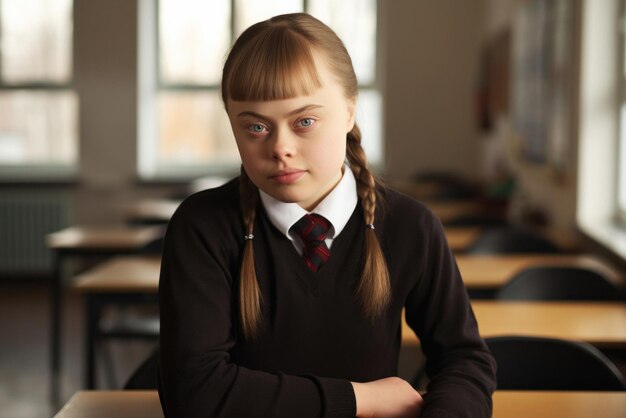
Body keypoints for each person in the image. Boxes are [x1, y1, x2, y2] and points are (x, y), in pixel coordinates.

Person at [158, 12, 496, 418]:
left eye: (304, 121)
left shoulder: (411, 227)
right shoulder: (203, 226)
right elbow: (193, 391)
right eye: (256, 128)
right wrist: (360, 399)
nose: (280, 147)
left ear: (350, 112)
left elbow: (465, 360)